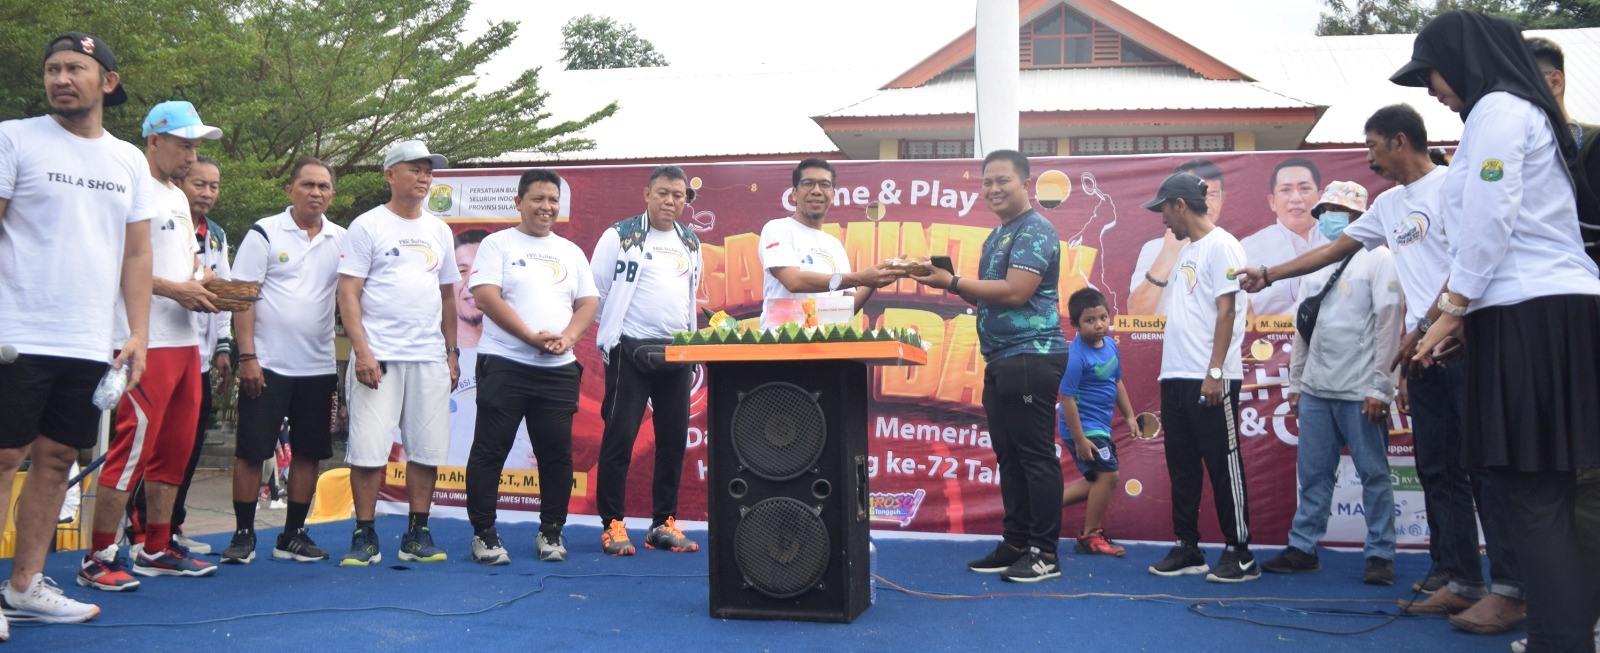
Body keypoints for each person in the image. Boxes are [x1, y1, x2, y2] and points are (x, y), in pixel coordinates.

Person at [1238, 104, 1527, 633]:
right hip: (1422, 352)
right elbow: (1331, 252)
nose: (1368, 157)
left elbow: (1476, 259)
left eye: (1372, 146)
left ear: (1399, 141)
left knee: (1484, 469)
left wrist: (1438, 321)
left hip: (1466, 343)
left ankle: (1510, 588)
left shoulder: (1455, 185)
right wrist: (1267, 272)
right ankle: (1459, 580)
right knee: (1437, 469)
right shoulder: (1391, 205)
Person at [1395, 12, 1600, 650]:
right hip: (1542, 313)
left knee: (1533, 496)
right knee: (1552, 496)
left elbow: (1490, 213)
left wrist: (1457, 305)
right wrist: (1460, 311)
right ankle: (1562, 635)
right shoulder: (1517, 112)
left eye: (1429, 74)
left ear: (1460, 58)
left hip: (1530, 316)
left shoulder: (1498, 111)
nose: (1431, 91)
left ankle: (1558, 640)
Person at [0, 31, 149, 632]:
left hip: (87, 338)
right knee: (4, 454)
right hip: (16, 330)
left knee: (58, 458)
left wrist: (136, 332)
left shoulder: (128, 158)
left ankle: (25, 585)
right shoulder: (14, 137)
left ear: (106, 82)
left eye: (76, 69)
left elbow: (136, 255)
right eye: (53, 69)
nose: (62, 78)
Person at [80, 100, 223, 590]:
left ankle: (156, 545)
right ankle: (99, 554)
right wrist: (175, 288)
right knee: (131, 447)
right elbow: (123, 264)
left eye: (196, 146)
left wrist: (204, 281)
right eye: (184, 144)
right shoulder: (128, 185)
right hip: (143, 340)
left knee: (175, 450)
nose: (191, 155)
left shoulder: (179, 197)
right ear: (155, 140)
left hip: (186, 341)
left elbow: (186, 263)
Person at [910, 150, 1069, 583]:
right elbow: (986, 296)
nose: (994, 189)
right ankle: (1017, 541)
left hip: (1030, 355)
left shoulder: (1036, 230)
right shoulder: (997, 235)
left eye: (1003, 181)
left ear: (1026, 184)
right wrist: (946, 281)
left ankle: (1045, 553)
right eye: (987, 182)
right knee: (1009, 456)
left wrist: (954, 282)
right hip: (1001, 359)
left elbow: (1017, 292)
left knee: (1035, 457)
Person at [1256, 181, 1403, 586]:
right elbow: (1305, 328)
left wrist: (1381, 387)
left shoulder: (1380, 259)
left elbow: (1389, 327)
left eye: (1336, 211)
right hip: (1317, 389)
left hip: (1360, 391)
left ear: (1359, 216)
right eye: (1323, 212)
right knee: (1314, 473)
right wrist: (1296, 383)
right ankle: (1303, 547)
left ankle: (1380, 554)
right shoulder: (1315, 263)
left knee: (1373, 474)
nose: (1327, 219)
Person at [464, 168, 597, 565]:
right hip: (506, 363)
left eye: (553, 200)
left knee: (555, 454)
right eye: (538, 199)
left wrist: (568, 338)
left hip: (558, 368)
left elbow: (588, 302)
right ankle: (484, 534)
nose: (546, 207)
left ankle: (551, 532)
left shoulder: (570, 252)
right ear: (518, 202)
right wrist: (528, 336)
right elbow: (486, 296)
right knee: (491, 451)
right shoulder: (497, 244)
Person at [337, 140, 460, 567]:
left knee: (426, 450)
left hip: (428, 356)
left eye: (429, 170)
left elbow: (448, 297)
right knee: (369, 450)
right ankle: (364, 534)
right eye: (415, 169)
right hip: (380, 356)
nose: (425, 177)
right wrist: (363, 351)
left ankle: (417, 532)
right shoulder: (367, 225)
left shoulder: (439, 230)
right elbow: (348, 292)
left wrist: (452, 352)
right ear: (391, 175)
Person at [220, 157, 346, 565]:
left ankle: (293, 534)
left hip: (319, 366)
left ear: (332, 194)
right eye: (307, 184)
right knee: (252, 451)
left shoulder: (343, 239)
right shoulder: (265, 232)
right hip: (268, 364)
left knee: (310, 452)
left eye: (323, 186)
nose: (316, 193)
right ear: (290, 189)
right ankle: (243, 533)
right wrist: (248, 357)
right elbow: (243, 297)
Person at [1140, 171, 1257, 583]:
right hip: (1175, 375)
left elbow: (1228, 312)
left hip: (1211, 377)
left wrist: (1214, 372)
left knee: (1224, 464)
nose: (1162, 219)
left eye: (1163, 210)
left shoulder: (1223, 246)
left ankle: (1240, 552)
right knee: (1183, 466)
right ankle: (1188, 547)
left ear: (1181, 205)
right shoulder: (1189, 250)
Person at [590, 165, 702, 557]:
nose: (671, 201)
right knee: (619, 438)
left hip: (677, 352)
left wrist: (690, 344)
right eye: (663, 193)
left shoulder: (690, 242)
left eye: (678, 195)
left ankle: (662, 524)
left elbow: (688, 299)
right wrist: (613, 338)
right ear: (647, 194)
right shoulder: (620, 236)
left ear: (686, 200)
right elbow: (596, 291)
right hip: (630, 351)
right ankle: (612, 524)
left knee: (672, 441)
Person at [125, 155, 230, 555]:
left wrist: (223, 346)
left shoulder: (216, 235)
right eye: (199, 184)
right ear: (184, 182)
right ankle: (136, 532)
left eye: (213, 186)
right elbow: (131, 267)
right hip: (152, 344)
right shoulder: (151, 210)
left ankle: (169, 528)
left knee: (184, 447)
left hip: (196, 353)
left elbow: (219, 287)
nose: (205, 193)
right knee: (144, 444)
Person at [758, 158, 899, 330]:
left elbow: (844, 309)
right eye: (808, 183)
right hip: (781, 346)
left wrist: (875, 280)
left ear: (832, 195)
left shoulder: (834, 245)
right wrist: (861, 277)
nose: (816, 191)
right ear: (794, 193)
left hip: (824, 348)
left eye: (824, 185)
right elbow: (793, 281)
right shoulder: (777, 228)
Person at [1056, 287, 1135, 557]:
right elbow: (1066, 399)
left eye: (1103, 317)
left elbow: (1117, 381)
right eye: (1090, 320)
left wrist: (1129, 416)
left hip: (1101, 425)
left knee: (1097, 480)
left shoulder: (1111, 345)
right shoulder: (1075, 357)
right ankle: (1091, 536)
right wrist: (1079, 439)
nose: (1099, 324)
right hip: (1083, 428)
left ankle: (1041, 509)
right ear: (1076, 325)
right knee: (1108, 475)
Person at [1128, 159, 1225, 315]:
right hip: (1166, 338)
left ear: (1222, 199)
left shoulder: (1225, 246)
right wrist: (1167, 256)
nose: (1204, 203)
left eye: (1212, 195)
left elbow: (1234, 312)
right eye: (1196, 195)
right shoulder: (1154, 248)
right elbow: (1136, 314)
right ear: (1178, 203)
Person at [1240, 159, 1326, 316]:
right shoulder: (1247, 248)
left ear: (1320, 197)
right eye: (1286, 190)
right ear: (1272, 201)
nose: (1296, 198)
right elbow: (1241, 309)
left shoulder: (1338, 242)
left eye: (1305, 189)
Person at [454, 229, 488, 348]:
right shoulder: (433, 349)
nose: (472, 282)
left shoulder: (514, 349)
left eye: (481, 269)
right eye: (462, 271)